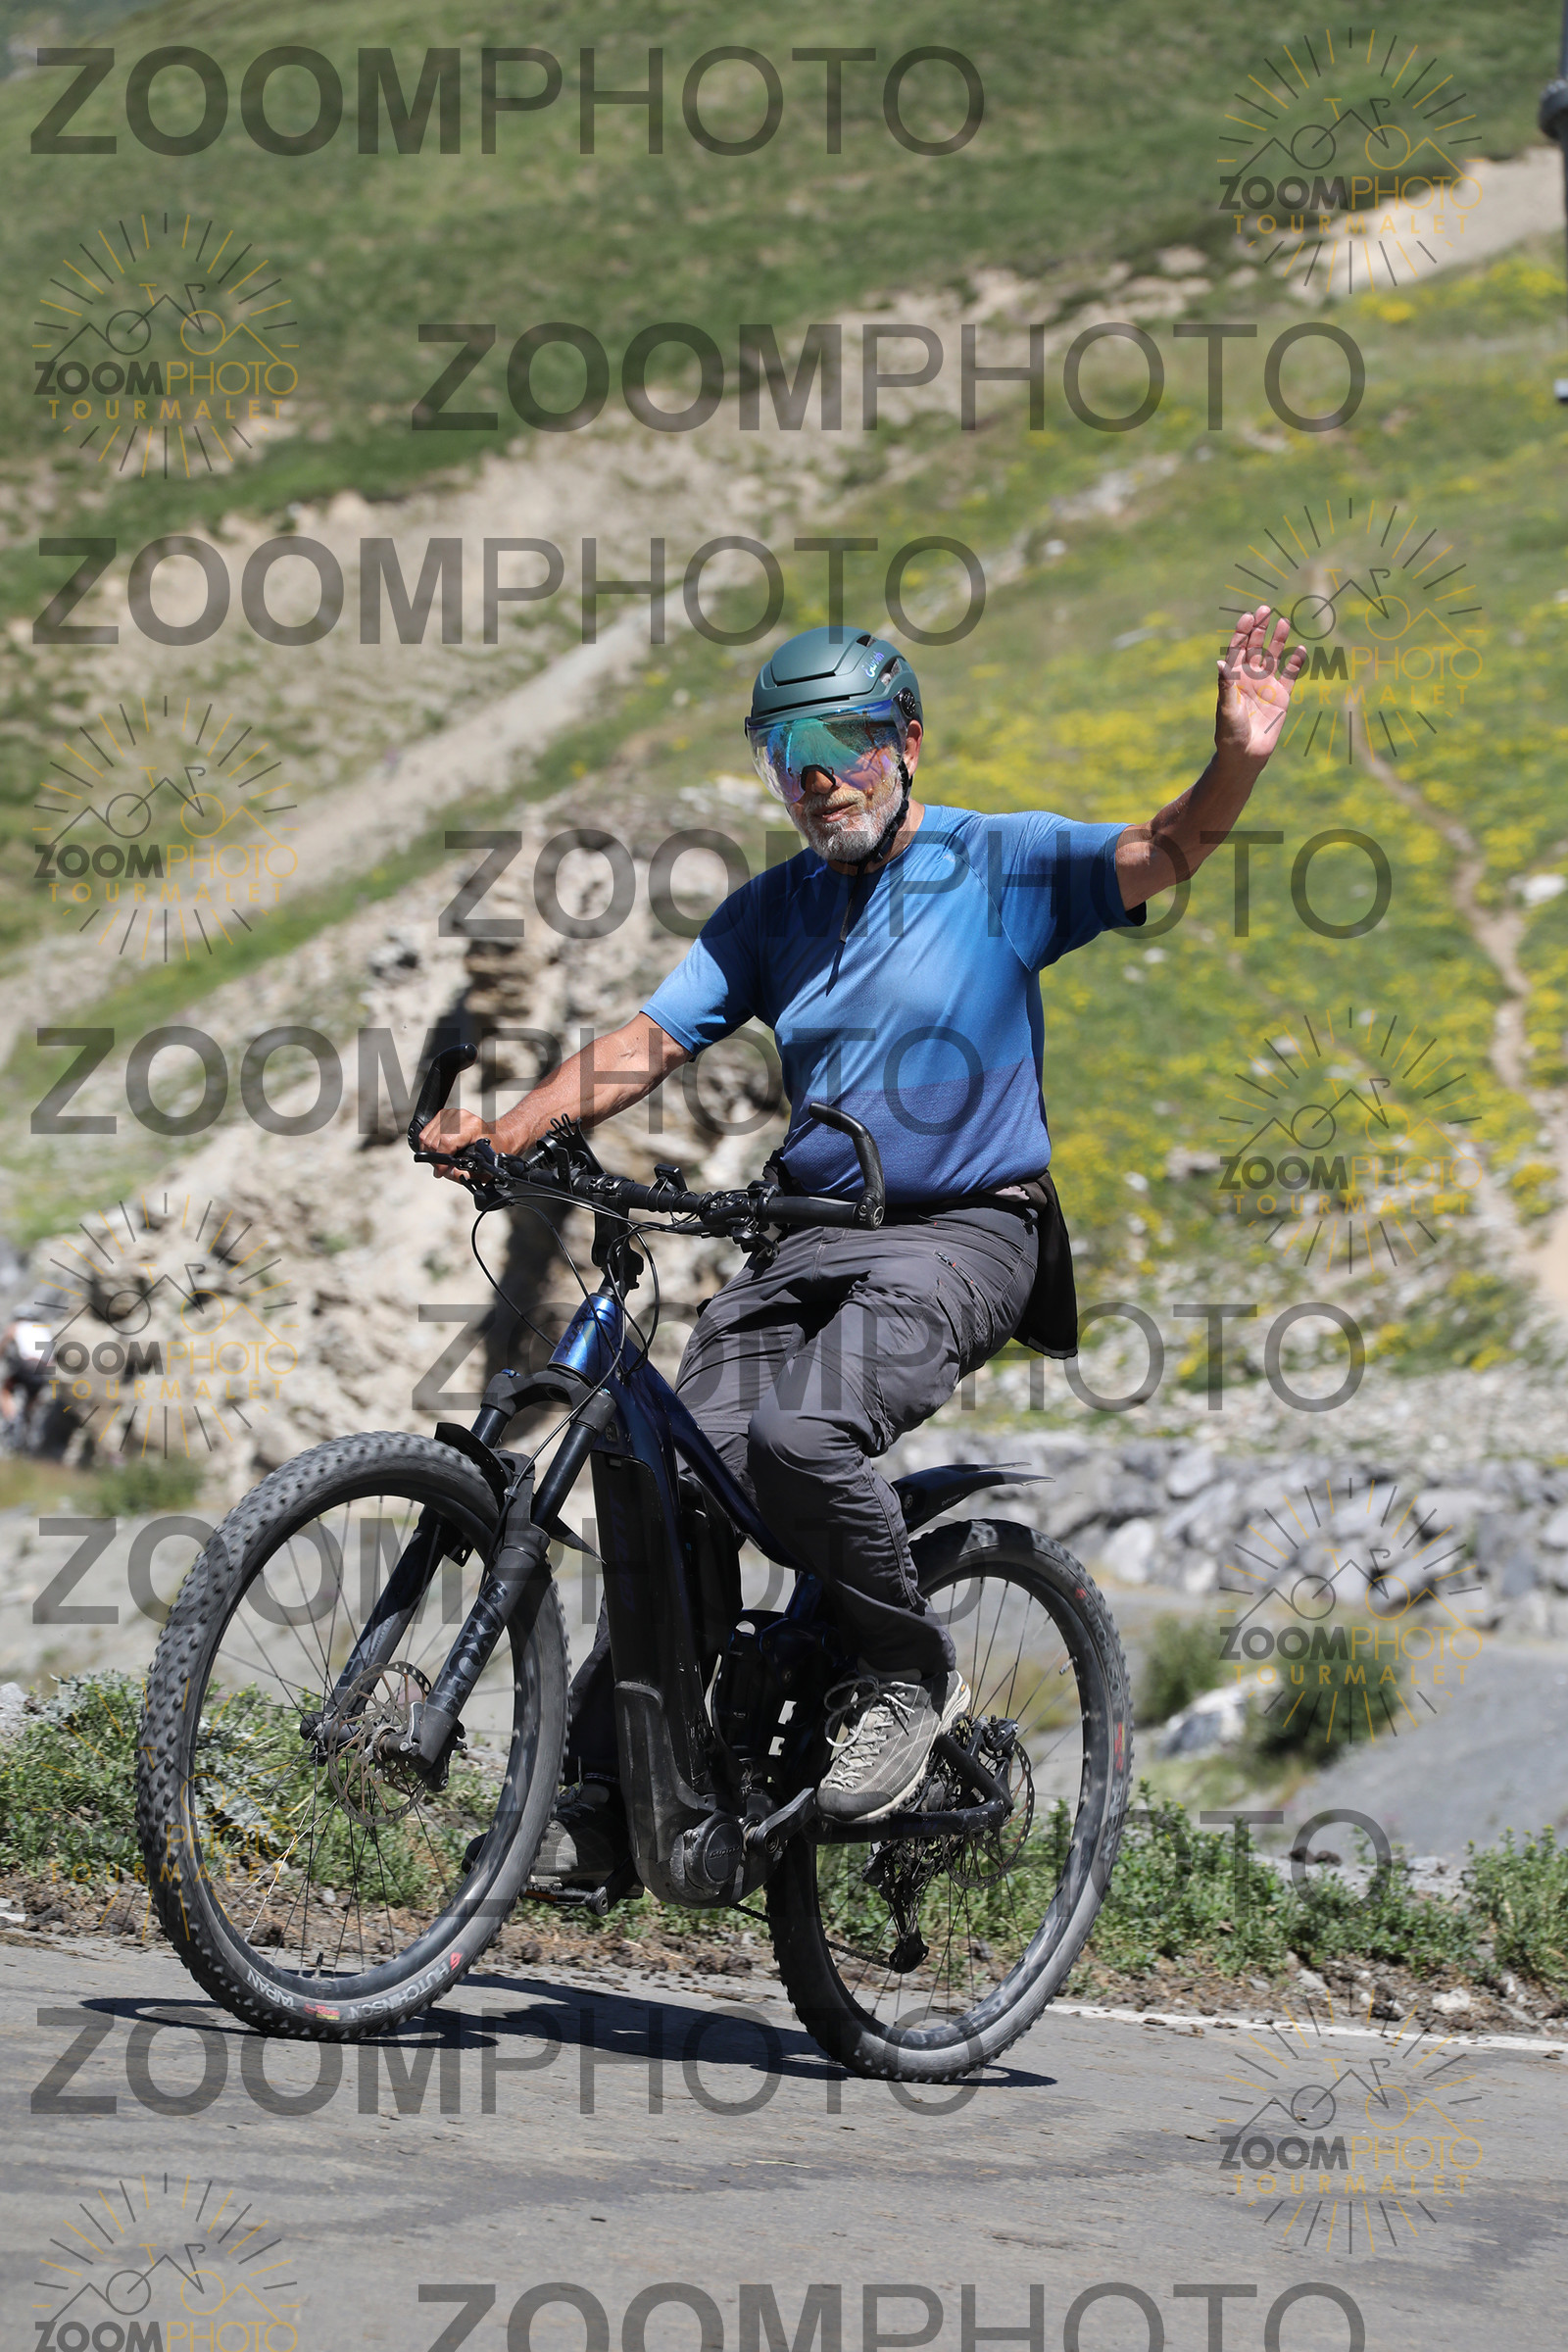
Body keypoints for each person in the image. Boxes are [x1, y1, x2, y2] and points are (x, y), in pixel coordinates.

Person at [423, 610, 1303, 1874]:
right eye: (788, 753)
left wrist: (1237, 760)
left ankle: (907, 1667)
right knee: (669, 1482)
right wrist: (507, 1134)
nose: (819, 775)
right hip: (804, 1239)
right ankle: (620, 1797)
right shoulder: (769, 912)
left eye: (846, 739)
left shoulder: (1000, 864)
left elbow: (1166, 849)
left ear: (909, 739)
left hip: (963, 1233)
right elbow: (648, 1042)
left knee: (802, 1434)